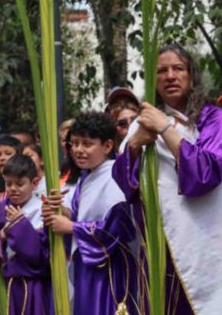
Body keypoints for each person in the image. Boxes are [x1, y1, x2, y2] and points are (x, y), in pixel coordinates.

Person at [113, 44, 222, 314]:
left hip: (203, 245)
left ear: (191, 75)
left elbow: (205, 173)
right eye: (161, 71)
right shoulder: (141, 123)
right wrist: (135, 144)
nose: (170, 76)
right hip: (158, 248)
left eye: (178, 69)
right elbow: (124, 184)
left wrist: (165, 129)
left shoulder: (214, 118)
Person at [43, 112, 140, 315]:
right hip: (88, 265)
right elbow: (81, 215)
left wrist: (71, 227)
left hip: (110, 269)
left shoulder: (114, 175)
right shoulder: (87, 176)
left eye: (87, 144)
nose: (78, 150)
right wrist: (60, 211)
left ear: (107, 146)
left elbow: (115, 229)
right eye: (75, 143)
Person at [0, 155, 52, 315]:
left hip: (35, 285)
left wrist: (19, 226)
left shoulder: (42, 210)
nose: (13, 189)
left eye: (19, 184)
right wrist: (3, 234)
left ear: (34, 183)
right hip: (6, 284)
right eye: (8, 183)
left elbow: (39, 254)